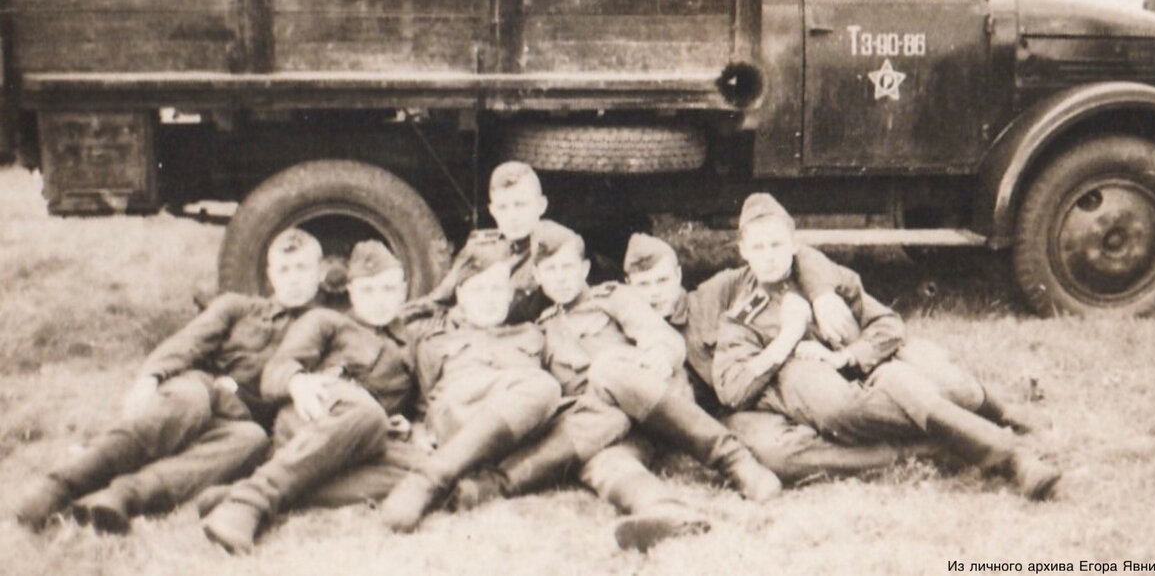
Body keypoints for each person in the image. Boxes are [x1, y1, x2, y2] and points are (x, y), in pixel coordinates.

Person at [710, 193, 1061, 500]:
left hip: (869, 373)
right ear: (743, 252)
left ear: (793, 244)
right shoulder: (742, 315)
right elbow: (732, 389)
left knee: (929, 385)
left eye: (776, 245)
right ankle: (1007, 452)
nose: (769, 256)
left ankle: (1003, 444)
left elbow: (888, 324)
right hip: (825, 403)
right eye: (758, 247)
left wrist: (846, 356)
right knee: (878, 397)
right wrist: (787, 338)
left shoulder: (826, 280)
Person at [453, 220, 780, 550]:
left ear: (583, 269)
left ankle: (735, 461)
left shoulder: (613, 297)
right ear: (538, 277)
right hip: (608, 427)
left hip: (656, 405)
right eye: (551, 270)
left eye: (568, 267)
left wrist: (657, 357)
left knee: (608, 369)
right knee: (602, 462)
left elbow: (661, 337)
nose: (561, 277)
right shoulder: (541, 328)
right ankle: (662, 510)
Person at [14, 228, 325, 533]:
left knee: (251, 441)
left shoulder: (327, 330)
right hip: (201, 387)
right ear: (270, 275)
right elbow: (189, 342)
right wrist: (150, 378)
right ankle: (61, 485)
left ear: (319, 272)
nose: (294, 278)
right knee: (190, 403)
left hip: (243, 418)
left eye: (302, 267)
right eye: (284, 269)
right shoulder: (238, 307)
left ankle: (122, 497)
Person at [622, 232, 917, 483]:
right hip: (734, 413)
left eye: (661, 281)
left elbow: (794, 260)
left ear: (678, 275)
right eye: (643, 285)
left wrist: (821, 294)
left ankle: (931, 416)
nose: (654, 294)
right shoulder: (628, 332)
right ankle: (907, 452)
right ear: (628, 286)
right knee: (777, 456)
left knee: (838, 409)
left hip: (778, 379)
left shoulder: (715, 292)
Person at [200, 240, 418, 553]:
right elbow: (278, 368)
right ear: (351, 292)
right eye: (368, 290)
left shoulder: (410, 342)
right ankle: (248, 505)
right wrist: (297, 381)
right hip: (310, 418)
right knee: (368, 413)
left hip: (362, 439)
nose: (379, 301)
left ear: (402, 290)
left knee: (423, 469)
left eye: (387, 289)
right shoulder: (325, 321)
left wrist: (409, 426)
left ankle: (237, 494)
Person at [379, 240, 563, 532]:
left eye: (498, 289)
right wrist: (416, 431)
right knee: (543, 387)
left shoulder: (533, 334)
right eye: (480, 289)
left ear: (510, 295)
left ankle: (469, 484)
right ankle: (432, 477)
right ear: (461, 295)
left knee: (558, 398)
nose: (490, 299)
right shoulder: (433, 340)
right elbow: (418, 405)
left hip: (519, 431)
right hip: (460, 416)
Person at [412, 161, 549, 323]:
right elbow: (435, 303)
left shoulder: (556, 250)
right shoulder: (481, 251)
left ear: (541, 205)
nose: (512, 217)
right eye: (503, 207)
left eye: (520, 205)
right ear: (493, 211)